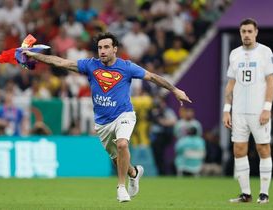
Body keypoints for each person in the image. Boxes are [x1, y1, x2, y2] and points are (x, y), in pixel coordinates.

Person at [23, 32, 191, 202]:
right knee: (117, 160)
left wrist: (175, 90)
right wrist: (35, 55)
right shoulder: (90, 65)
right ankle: (134, 173)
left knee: (123, 144)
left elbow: (153, 77)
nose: (102, 51)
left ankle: (121, 187)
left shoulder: (127, 67)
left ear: (115, 49)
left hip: (124, 114)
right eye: (100, 48)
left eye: (106, 47)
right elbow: (61, 62)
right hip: (102, 123)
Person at [222, 18, 273, 204]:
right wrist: (226, 109)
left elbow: (271, 81)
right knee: (238, 150)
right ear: (240, 33)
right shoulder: (234, 54)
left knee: (263, 148)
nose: (246, 34)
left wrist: (267, 108)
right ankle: (245, 194)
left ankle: (264, 193)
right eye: (243, 31)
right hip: (238, 112)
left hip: (258, 110)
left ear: (256, 32)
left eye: (249, 31)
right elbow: (230, 84)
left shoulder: (265, 52)